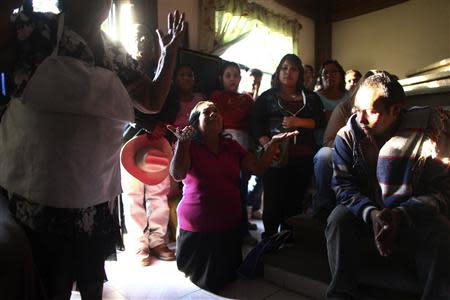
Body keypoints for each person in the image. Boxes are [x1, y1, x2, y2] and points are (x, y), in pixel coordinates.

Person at [0, 0, 185, 298]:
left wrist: (169, 53)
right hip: (41, 197)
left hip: (95, 195)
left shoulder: (113, 53)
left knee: (91, 279)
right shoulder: (36, 30)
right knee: (52, 284)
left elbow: (151, 100)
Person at [326, 72, 450, 299]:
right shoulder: (347, 136)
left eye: (371, 112)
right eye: (356, 110)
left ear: (396, 110)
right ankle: (340, 294)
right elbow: (343, 188)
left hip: (412, 209)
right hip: (367, 211)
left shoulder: (428, 133)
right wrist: (372, 214)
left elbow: (441, 191)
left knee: (441, 229)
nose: (360, 119)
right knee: (337, 219)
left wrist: (401, 214)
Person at [168, 101, 298, 292]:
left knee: (228, 279)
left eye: (216, 111)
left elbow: (259, 167)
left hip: (228, 225)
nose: (213, 114)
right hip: (199, 227)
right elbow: (177, 174)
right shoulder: (188, 146)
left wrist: (273, 144)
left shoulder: (232, 146)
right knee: (209, 283)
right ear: (195, 123)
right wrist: (183, 143)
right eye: (206, 112)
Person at [251, 54, 325, 239]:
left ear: (300, 73)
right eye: (284, 68)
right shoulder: (266, 97)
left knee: (295, 200)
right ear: (278, 71)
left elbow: (320, 121)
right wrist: (269, 145)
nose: (288, 73)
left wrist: (299, 121)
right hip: (274, 156)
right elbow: (255, 124)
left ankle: (289, 239)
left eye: (293, 69)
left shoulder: (311, 98)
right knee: (272, 199)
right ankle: (268, 239)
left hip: (303, 156)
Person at [312, 70, 382, 221]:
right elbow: (328, 141)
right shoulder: (344, 108)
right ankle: (324, 206)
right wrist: (352, 146)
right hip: (349, 157)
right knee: (324, 155)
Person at [209, 61, 258, 238]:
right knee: (226, 188)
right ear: (221, 78)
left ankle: (243, 228)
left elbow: (253, 123)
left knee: (242, 188)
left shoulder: (247, 99)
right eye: (228, 75)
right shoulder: (216, 96)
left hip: (244, 147)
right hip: (224, 146)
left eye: (236, 75)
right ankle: (226, 229)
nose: (232, 79)